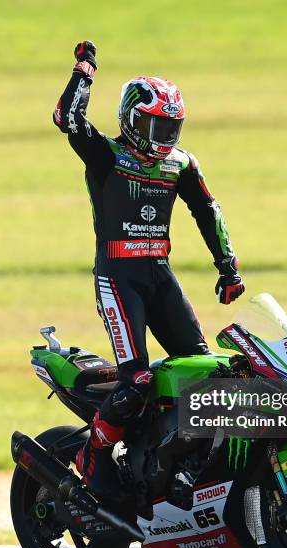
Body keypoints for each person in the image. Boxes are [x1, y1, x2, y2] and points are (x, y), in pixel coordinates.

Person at [53, 40, 245, 499]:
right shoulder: (105, 156)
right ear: (131, 119)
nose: (163, 137)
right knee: (137, 378)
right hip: (118, 278)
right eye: (153, 124)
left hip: (159, 276)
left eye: (171, 127)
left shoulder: (180, 165)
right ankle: (92, 460)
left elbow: (208, 210)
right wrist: (85, 70)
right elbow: (68, 119)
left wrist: (228, 266)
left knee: (202, 372)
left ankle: (176, 463)